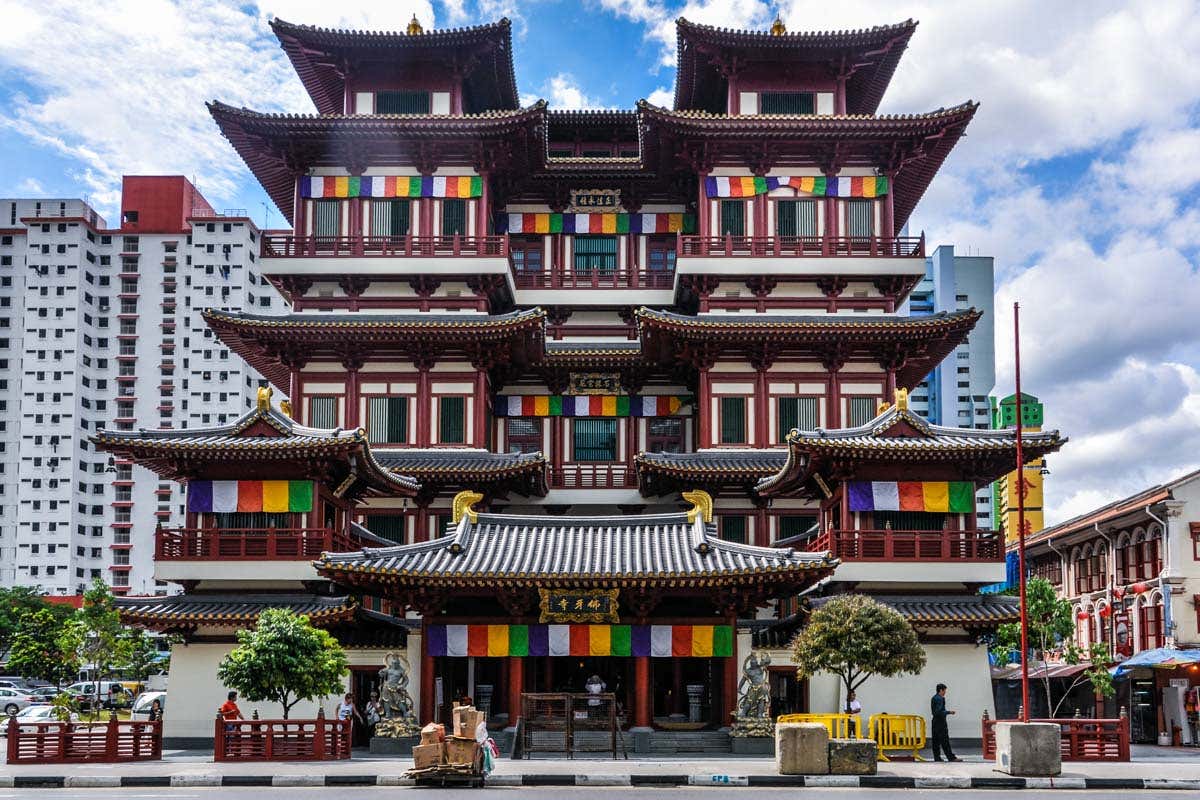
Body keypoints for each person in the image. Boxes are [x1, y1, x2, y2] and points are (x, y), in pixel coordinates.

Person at [930, 683, 959, 762]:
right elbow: (939, 712)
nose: (945, 692)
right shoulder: (940, 698)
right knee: (945, 740)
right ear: (941, 690)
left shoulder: (934, 698)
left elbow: (934, 712)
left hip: (934, 721)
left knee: (935, 741)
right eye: (944, 690)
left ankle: (937, 757)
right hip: (941, 722)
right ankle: (951, 757)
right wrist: (949, 712)